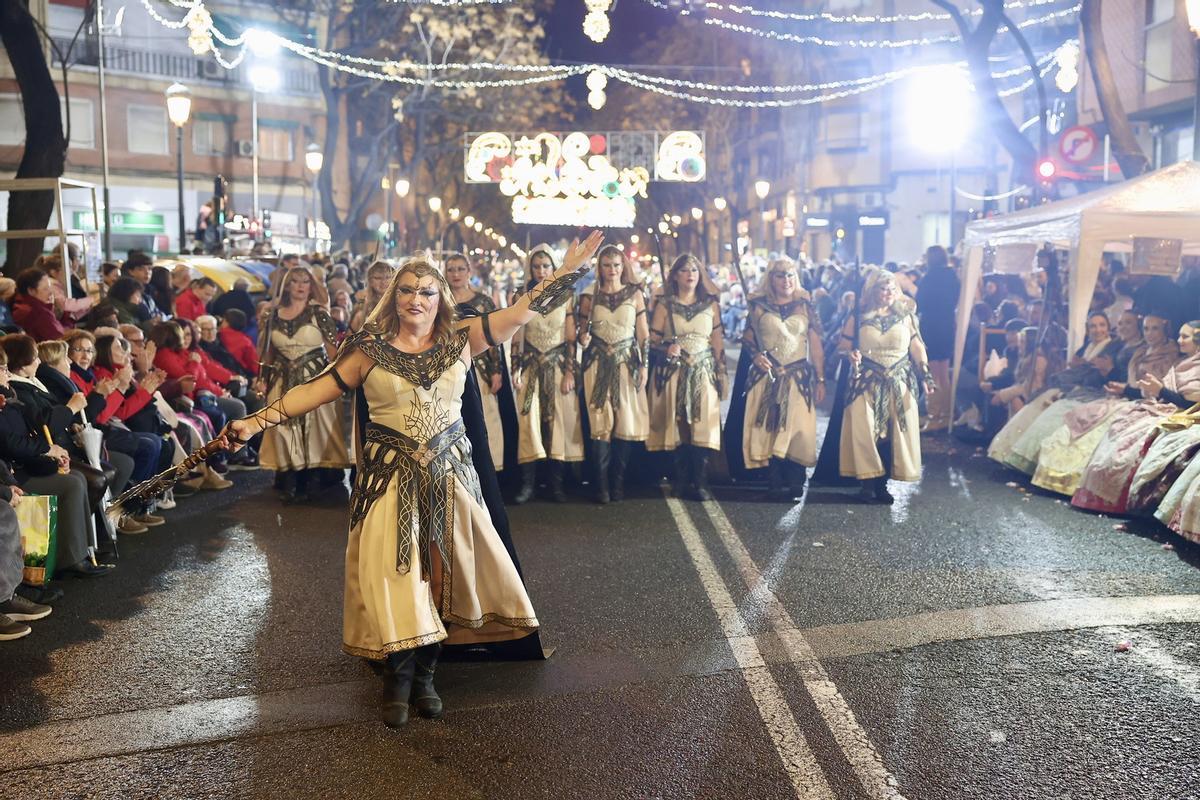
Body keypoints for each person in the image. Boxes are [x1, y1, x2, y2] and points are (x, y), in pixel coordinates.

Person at [224, 232, 605, 728]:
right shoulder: (368, 349)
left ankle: (426, 673)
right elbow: (314, 391)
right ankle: (397, 677)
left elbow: (520, 314)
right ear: (393, 297)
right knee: (396, 575)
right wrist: (255, 422)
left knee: (444, 575)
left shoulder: (461, 337)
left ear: (440, 298)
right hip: (388, 481)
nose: (416, 299)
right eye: (406, 290)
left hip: (450, 478)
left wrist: (562, 274)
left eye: (426, 291)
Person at [838, 268, 934, 503]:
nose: (888, 293)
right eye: (883, 288)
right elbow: (843, 345)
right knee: (865, 431)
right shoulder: (858, 315)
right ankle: (868, 484)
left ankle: (883, 486)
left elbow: (917, 345)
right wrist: (850, 355)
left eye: (892, 288)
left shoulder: (906, 314)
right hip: (866, 382)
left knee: (894, 434)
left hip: (899, 381)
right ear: (872, 290)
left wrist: (925, 373)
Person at [257, 266, 350, 502]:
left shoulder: (319, 314)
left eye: (305, 282)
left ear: (311, 286)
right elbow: (267, 355)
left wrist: (339, 382)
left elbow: (334, 354)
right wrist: (262, 380)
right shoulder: (272, 316)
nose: (300, 286)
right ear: (287, 285)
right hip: (281, 379)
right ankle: (289, 479)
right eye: (295, 281)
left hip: (316, 380)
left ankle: (314, 480)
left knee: (317, 430)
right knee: (283, 428)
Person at [735, 258, 825, 501]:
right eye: (780, 276)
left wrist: (821, 378)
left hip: (798, 377)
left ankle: (796, 479)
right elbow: (747, 339)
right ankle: (774, 480)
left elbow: (816, 344)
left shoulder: (806, 305)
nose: (786, 280)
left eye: (790, 275)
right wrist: (755, 357)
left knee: (797, 428)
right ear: (771, 279)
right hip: (768, 375)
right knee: (770, 427)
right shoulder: (758, 306)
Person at [647, 254, 726, 501]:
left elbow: (717, 341)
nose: (690, 274)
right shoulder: (665, 305)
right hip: (674, 372)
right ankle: (680, 480)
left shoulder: (710, 304)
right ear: (675, 276)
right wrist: (666, 347)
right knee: (678, 424)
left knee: (703, 424)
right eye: (684, 270)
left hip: (702, 371)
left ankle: (700, 482)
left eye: (694, 269)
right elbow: (652, 339)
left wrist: (721, 371)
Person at [509, 246, 583, 504]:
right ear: (530, 269)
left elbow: (571, 337)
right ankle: (528, 484)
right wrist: (515, 369)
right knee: (529, 421)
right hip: (530, 366)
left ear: (553, 268)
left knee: (557, 422)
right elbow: (516, 336)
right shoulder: (522, 296)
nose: (541, 271)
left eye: (546, 266)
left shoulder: (567, 295)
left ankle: (556, 484)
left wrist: (570, 372)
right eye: (537, 266)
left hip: (558, 366)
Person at [577, 245, 649, 503]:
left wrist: (644, 366)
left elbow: (643, 334)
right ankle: (602, 486)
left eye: (616, 265)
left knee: (625, 422)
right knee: (600, 423)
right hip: (596, 364)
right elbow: (581, 331)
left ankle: (618, 483)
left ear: (623, 266)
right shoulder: (589, 294)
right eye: (607, 265)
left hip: (626, 364)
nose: (612, 270)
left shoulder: (635, 294)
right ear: (600, 267)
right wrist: (582, 338)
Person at [446, 253, 508, 473]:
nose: (455, 274)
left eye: (460, 269)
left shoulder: (483, 301)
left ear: (469, 272)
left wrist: (496, 371)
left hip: (480, 370)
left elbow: (495, 340)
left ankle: (489, 468)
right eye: (451, 269)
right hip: (448, 370)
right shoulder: (440, 300)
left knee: (486, 418)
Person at [915, 245, 959, 431]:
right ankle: (947, 413)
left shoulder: (929, 278)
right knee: (944, 373)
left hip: (932, 326)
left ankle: (934, 414)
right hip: (947, 325)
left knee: (931, 373)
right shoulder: (953, 277)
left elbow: (920, 303)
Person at [11, 268, 67, 342]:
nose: (51, 292)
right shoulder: (38, 313)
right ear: (31, 291)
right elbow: (60, 340)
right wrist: (69, 318)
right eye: (45, 289)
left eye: (50, 287)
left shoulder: (19, 305)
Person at [351, 262, 395, 333]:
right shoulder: (362, 306)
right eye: (378, 278)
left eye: (387, 277)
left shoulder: (399, 304)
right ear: (370, 281)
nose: (383, 282)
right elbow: (350, 337)